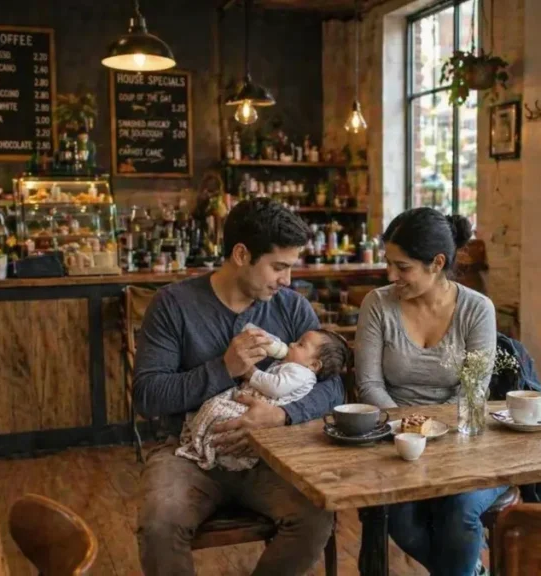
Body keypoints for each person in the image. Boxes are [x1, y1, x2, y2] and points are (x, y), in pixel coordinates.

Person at [133, 197, 344, 576]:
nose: (287, 280)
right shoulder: (173, 305)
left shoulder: (292, 308)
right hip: (188, 452)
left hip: (270, 455)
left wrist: (281, 415)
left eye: (290, 268)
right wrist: (223, 369)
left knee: (315, 517)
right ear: (242, 254)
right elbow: (148, 395)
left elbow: (333, 389)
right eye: (278, 267)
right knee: (160, 524)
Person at [355, 207, 506, 576]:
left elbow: (474, 393)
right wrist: (408, 428)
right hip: (398, 444)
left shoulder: (477, 309)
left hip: (464, 441)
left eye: (402, 267)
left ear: (437, 263)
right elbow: (369, 385)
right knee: (401, 518)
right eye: (389, 263)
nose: (391, 275)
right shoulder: (378, 305)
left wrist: (435, 431)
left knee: (459, 509)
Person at [176, 328, 351, 471]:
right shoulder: (292, 366)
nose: (290, 344)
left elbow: (275, 387)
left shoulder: (301, 373)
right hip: (255, 402)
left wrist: (251, 373)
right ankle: (206, 438)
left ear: (314, 365)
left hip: (266, 408)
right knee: (216, 406)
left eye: (300, 344)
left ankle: (207, 442)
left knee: (217, 410)